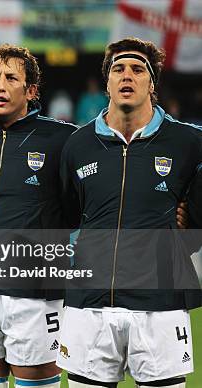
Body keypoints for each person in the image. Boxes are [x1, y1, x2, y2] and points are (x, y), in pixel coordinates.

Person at [57, 38, 202, 388]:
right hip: (89, 303)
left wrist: (191, 225)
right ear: (106, 81)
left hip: (160, 303)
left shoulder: (188, 142)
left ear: (152, 84)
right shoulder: (78, 144)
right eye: (118, 69)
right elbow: (67, 216)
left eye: (138, 70)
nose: (127, 76)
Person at [0, 44, 77, 388]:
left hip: (34, 293)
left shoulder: (64, 139)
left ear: (31, 91)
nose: (0, 85)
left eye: (11, 78)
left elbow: (80, 208)